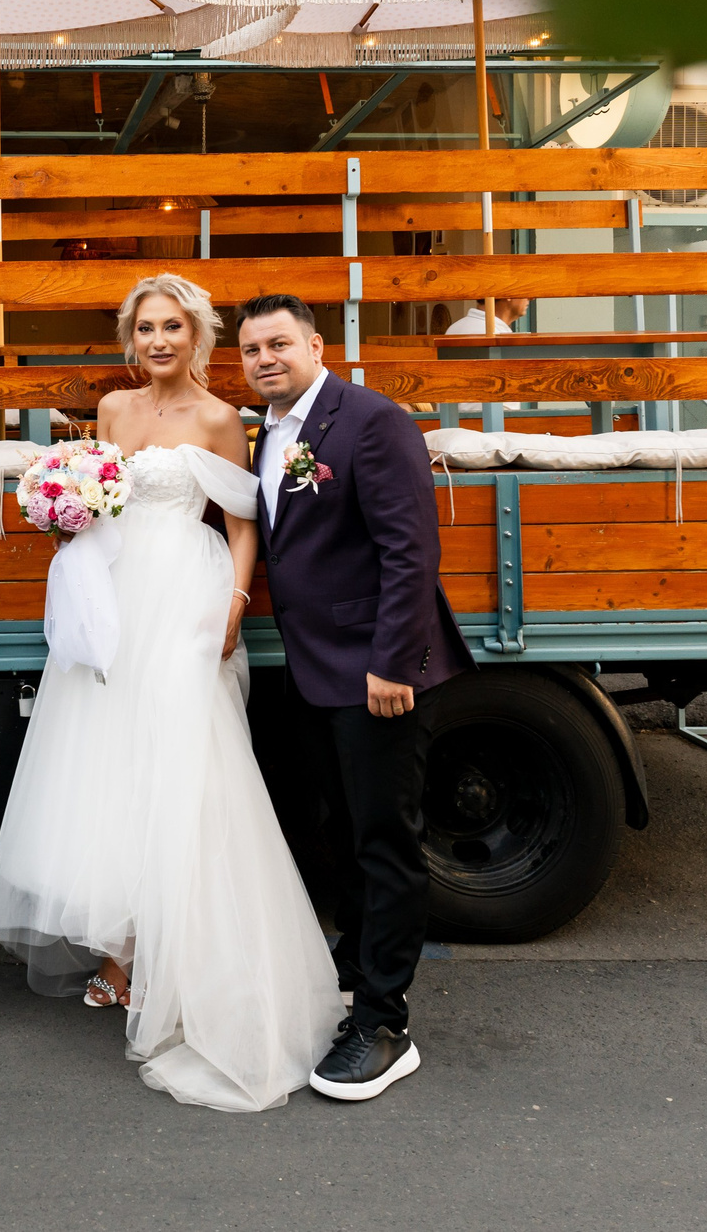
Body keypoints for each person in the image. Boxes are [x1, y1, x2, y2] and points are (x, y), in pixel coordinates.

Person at [0, 274, 341, 1111]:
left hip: (188, 595)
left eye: (173, 326)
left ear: (199, 335)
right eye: (146, 328)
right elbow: (100, 504)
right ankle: (120, 952)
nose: (159, 341)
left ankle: (181, 956)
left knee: (183, 765)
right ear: (130, 338)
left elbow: (245, 521)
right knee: (108, 764)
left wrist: (236, 606)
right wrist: (63, 509)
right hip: (115, 595)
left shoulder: (223, 418)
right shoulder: (111, 408)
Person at [238, 292, 475, 1103]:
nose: (265, 358)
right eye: (250, 350)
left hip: (377, 673)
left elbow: (412, 548)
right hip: (315, 669)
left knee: (386, 840)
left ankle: (383, 1022)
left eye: (278, 344)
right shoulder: (268, 431)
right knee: (342, 830)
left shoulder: (370, 418)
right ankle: (355, 972)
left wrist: (393, 664)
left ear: (314, 343)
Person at [443, 296, 528, 337]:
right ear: (508, 295)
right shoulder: (489, 332)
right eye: (525, 291)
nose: (532, 298)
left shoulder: (455, 327)